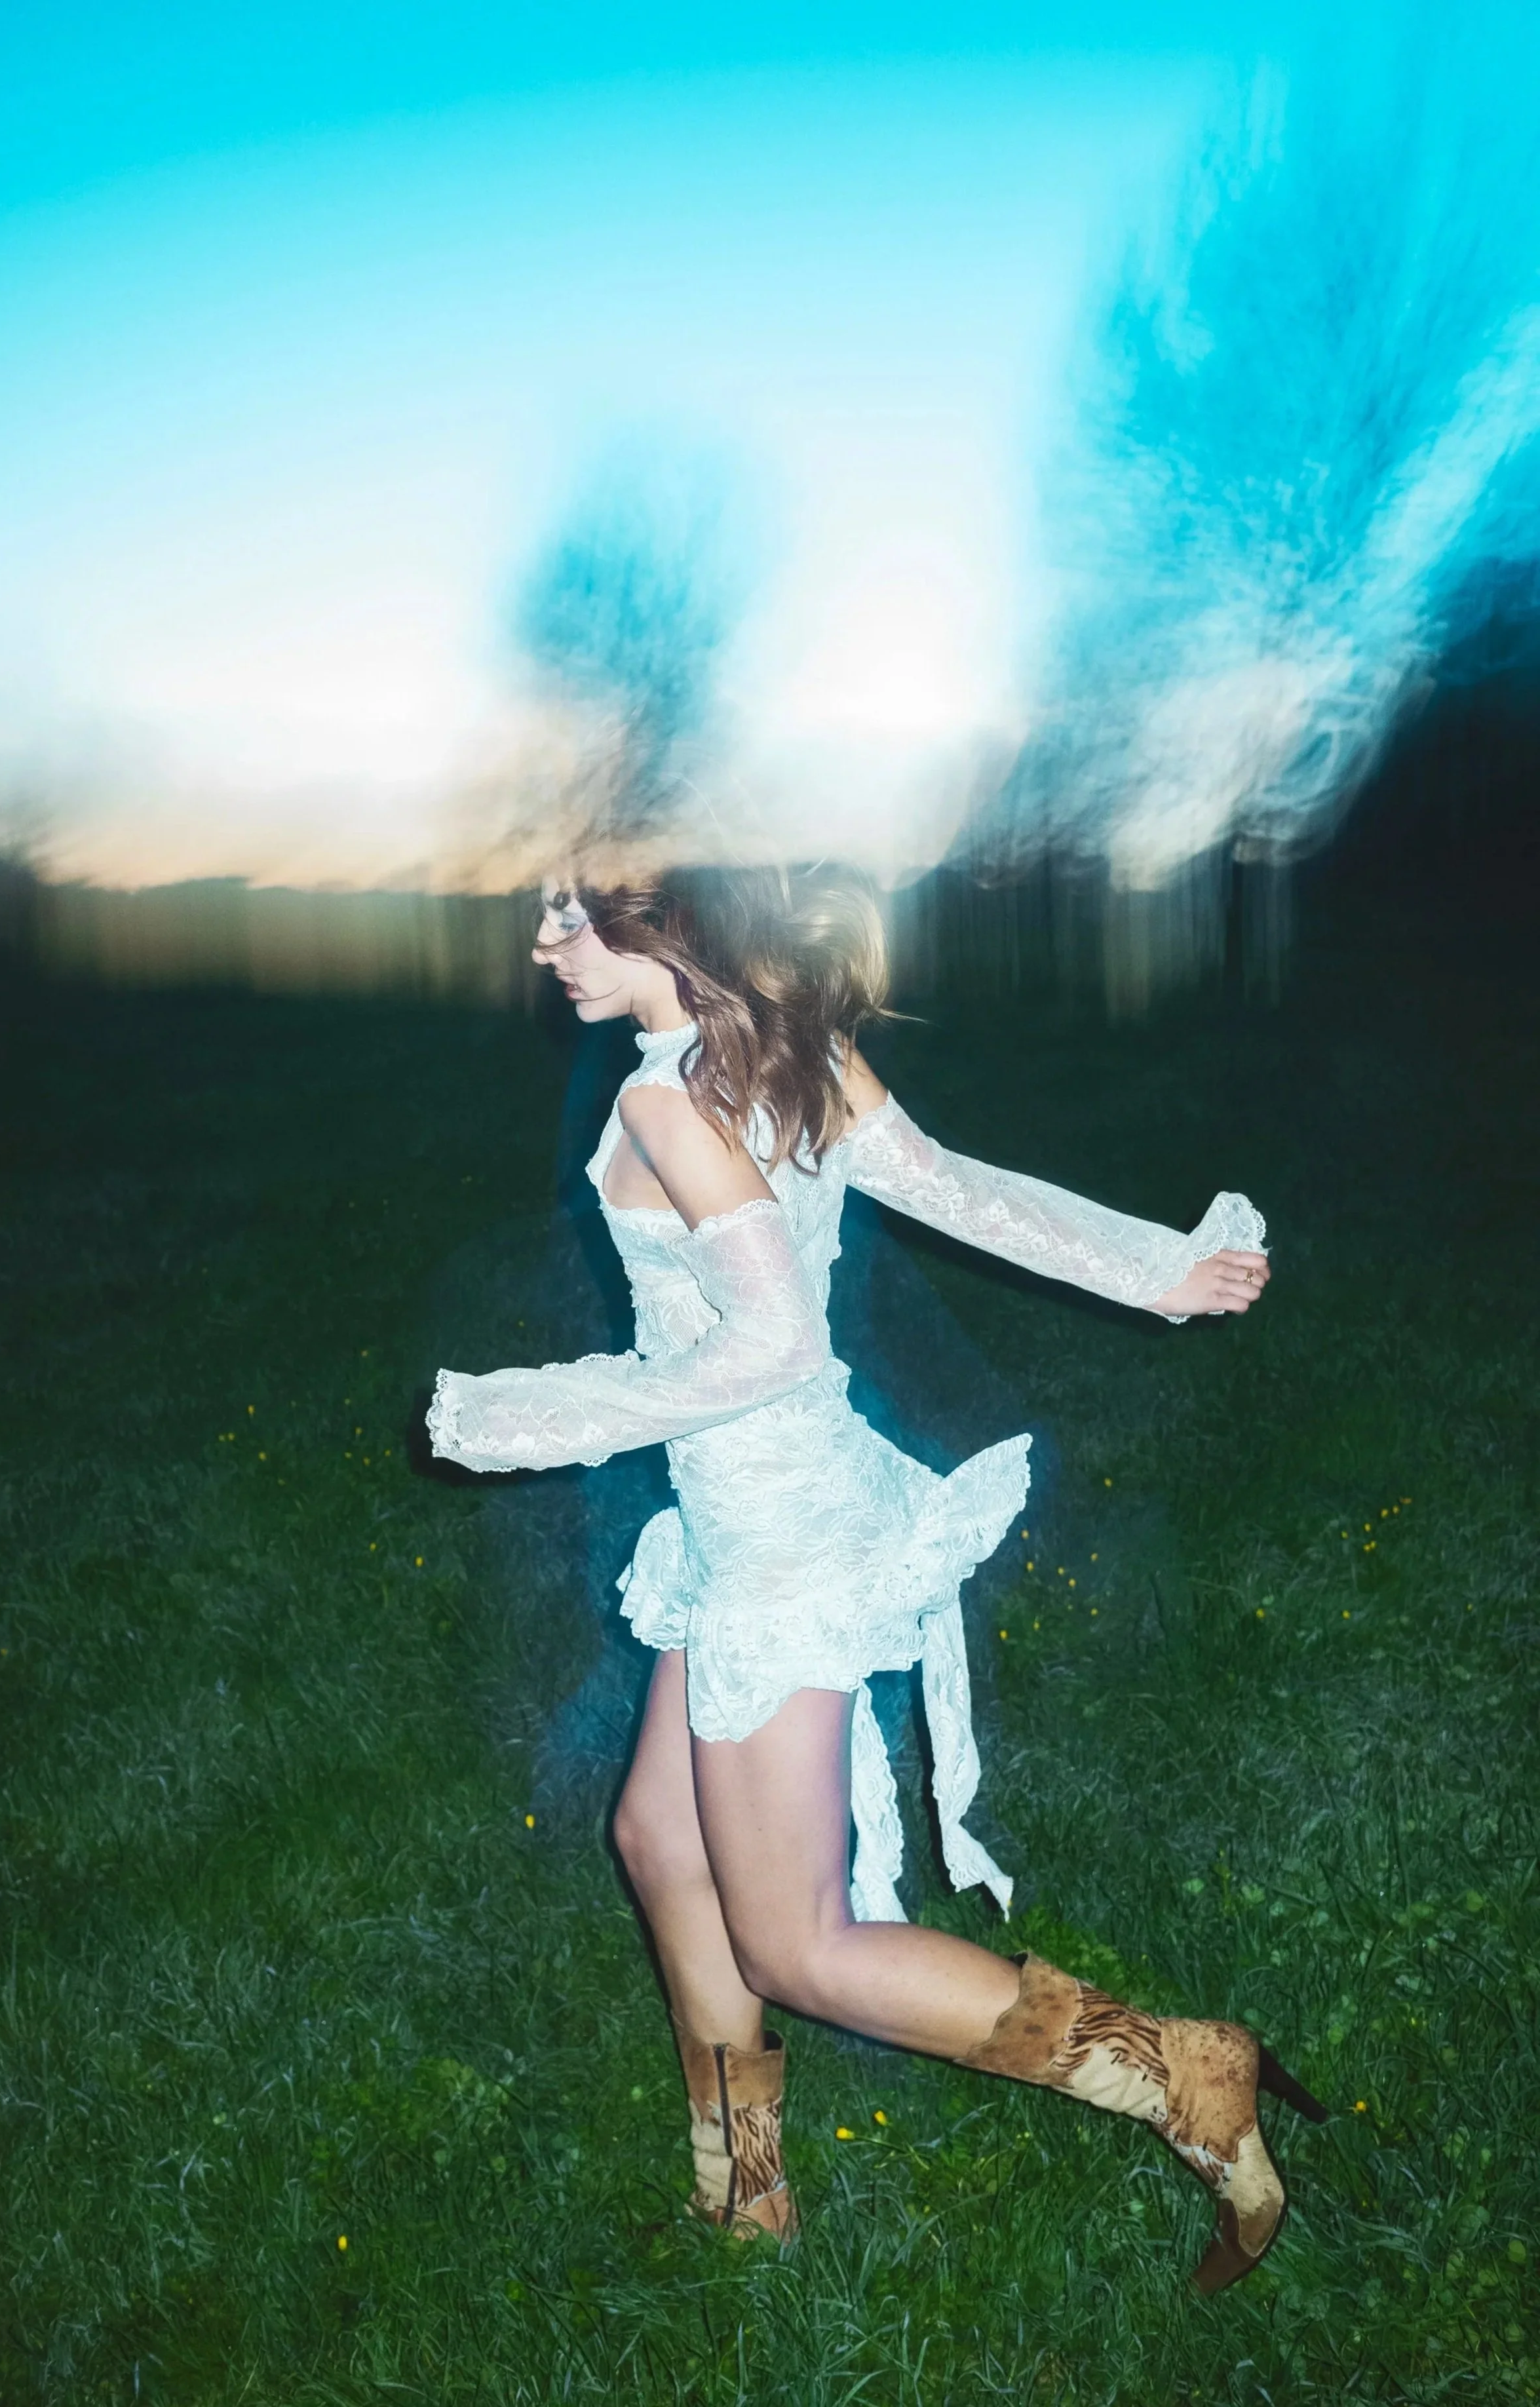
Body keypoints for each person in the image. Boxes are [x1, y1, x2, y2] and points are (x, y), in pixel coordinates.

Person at [428, 864, 1324, 2296]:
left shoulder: (667, 1103)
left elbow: (771, 1343)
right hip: (774, 1517)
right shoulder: (781, 1049)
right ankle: (747, 2197)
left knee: (799, 1943)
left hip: (781, 1548)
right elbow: (953, 1191)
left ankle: (1177, 2071)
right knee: (663, 1841)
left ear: (673, 918)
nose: (542, 945)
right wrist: (1154, 1266)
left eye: (573, 916)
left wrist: (519, 1417)